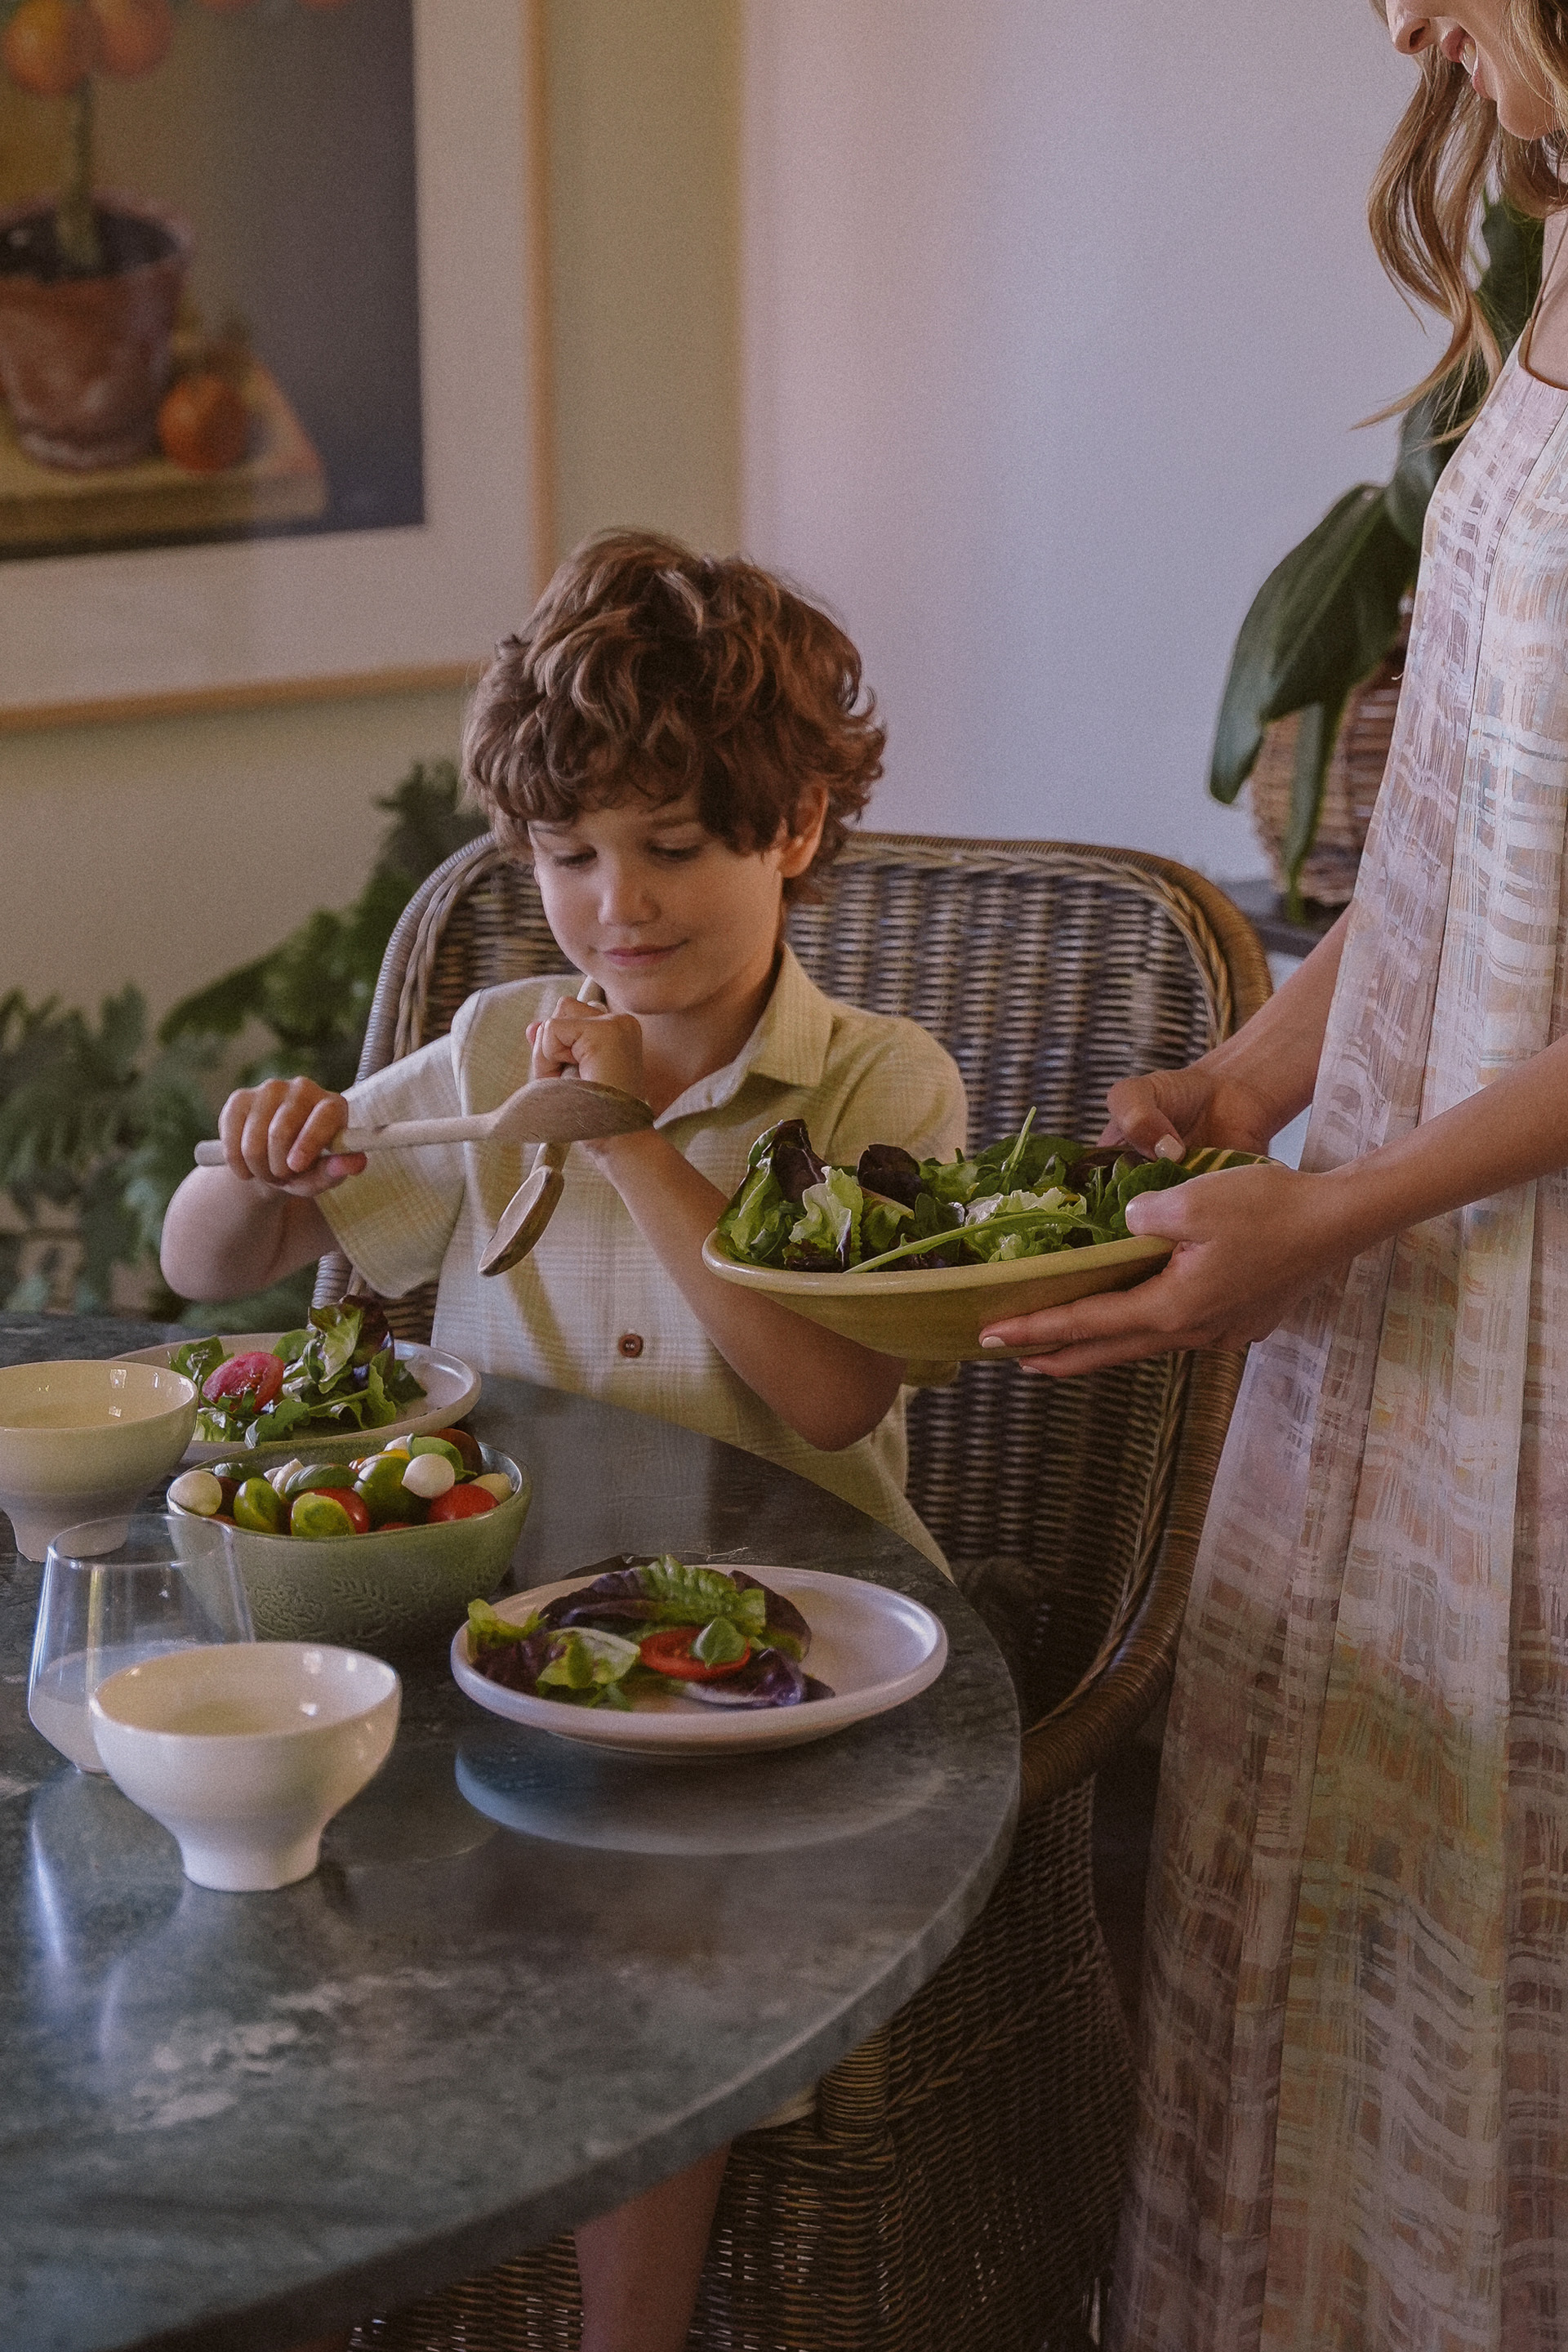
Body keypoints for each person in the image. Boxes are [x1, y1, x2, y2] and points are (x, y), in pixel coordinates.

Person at [159, 529, 964, 2352]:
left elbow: (835, 1399)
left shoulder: (876, 1086)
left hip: (776, 1669)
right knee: (247, 1851)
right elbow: (207, 1269)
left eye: (674, 847)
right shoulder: (495, 1043)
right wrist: (250, 1168)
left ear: (794, 833)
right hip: (508, 1639)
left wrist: (625, 1138)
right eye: (568, 854)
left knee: (629, 1945)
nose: (619, 905)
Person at [977, 8, 1568, 2345]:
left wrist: (1337, 1206)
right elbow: (1462, 824)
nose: (1406, 23)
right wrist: (1261, 1081)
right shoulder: (1544, 252)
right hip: (1421, 1291)